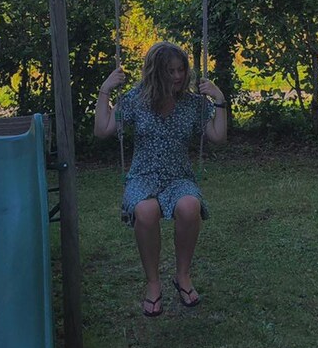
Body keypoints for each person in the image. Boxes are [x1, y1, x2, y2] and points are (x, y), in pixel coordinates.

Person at [94, 41, 227, 317]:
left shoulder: (192, 104)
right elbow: (102, 131)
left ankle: (183, 276)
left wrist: (220, 100)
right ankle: (153, 284)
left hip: (178, 177)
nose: (178, 76)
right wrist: (105, 90)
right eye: (170, 71)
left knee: (190, 206)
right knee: (146, 210)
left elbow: (217, 137)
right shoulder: (135, 100)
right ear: (156, 72)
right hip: (143, 175)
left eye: (181, 70)